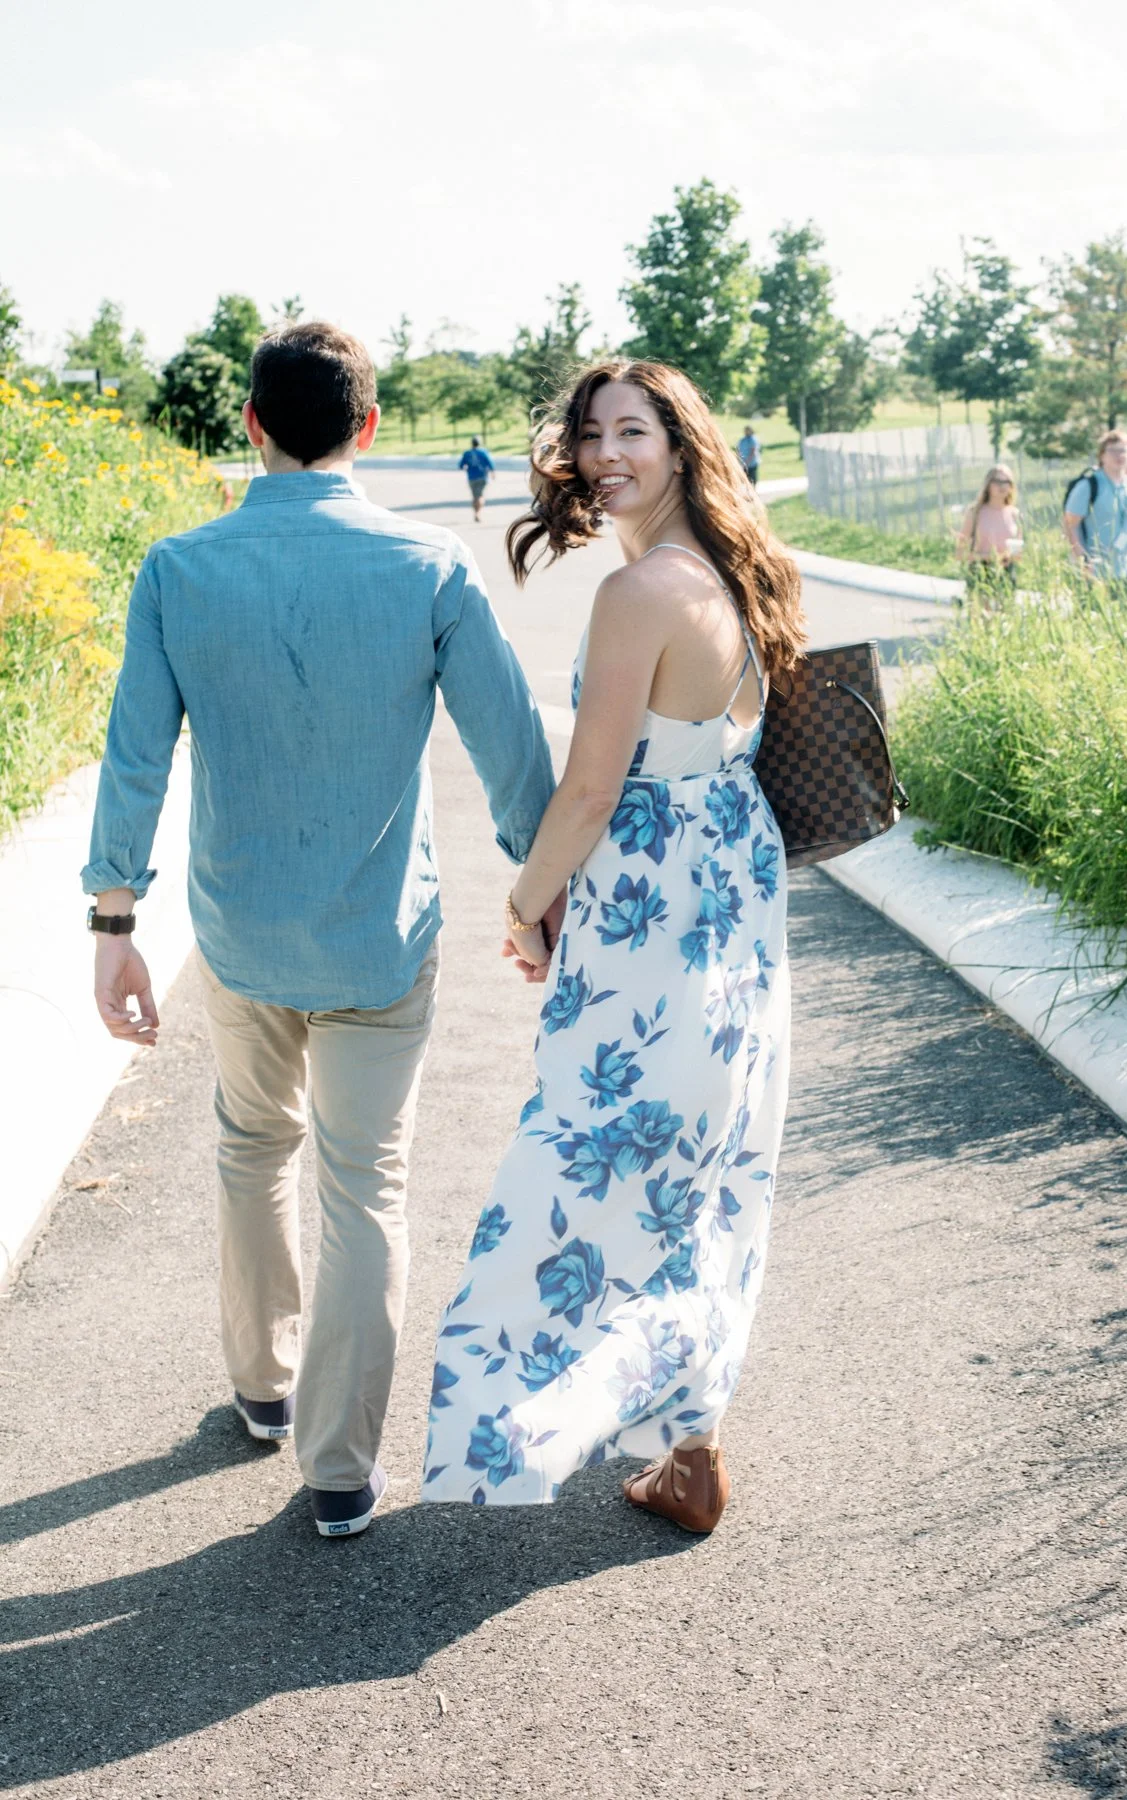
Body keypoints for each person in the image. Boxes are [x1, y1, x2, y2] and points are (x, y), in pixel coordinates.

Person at [83, 321, 555, 1538]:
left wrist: (113, 918)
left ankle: (260, 1389)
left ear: (251, 425)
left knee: (252, 1150)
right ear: (370, 428)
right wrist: (539, 891)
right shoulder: (428, 567)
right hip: (376, 943)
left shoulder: (177, 570)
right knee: (366, 1182)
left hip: (239, 937)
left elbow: (136, 757)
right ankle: (339, 1468)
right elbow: (511, 755)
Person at [422, 360, 804, 1533]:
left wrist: (521, 902)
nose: (602, 456)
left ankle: (533, 1427)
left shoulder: (641, 595)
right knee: (704, 1188)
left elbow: (590, 792)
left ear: (682, 445)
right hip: (731, 915)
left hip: (652, 936)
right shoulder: (744, 572)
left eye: (631, 431)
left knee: (577, 1183)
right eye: (590, 435)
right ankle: (692, 1453)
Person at [1064, 428, 1127, 589]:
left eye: (1124, 450)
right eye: (1113, 451)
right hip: (1096, 572)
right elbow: (1070, 524)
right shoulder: (1089, 485)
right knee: (1094, 614)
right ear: (1102, 456)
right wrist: (1083, 561)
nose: (1120, 455)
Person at [956, 463, 1023, 601]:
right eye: (997, 481)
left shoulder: (1015, 515)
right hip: (980, 572)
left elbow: (1018, 554)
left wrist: (1010, 556)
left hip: (1006, 573)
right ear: (988, 485)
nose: (1002, 486)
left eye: (1007, 482)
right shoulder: (975, 512)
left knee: (1004, 619)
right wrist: (988, 557)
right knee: (983, 619)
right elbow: (960, 553)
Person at [459, 434, 495, 521]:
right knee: (480, 496)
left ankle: (476, 513)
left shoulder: (467, 453)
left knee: (475, 496)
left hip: (471, 477)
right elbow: (490, 463)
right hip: (482, 477)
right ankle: (478, 513)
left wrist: (467, 468)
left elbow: (461, 466)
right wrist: (492, 472)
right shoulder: (483, 452)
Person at [736, 422, 762, 487]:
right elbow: (738, 449)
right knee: (745, 479)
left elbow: (753, 451)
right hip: (744, 463)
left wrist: (748, 461)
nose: (746, 431)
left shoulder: (753, 439)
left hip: (751, 463)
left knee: (752, 478)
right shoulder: (742, 440)